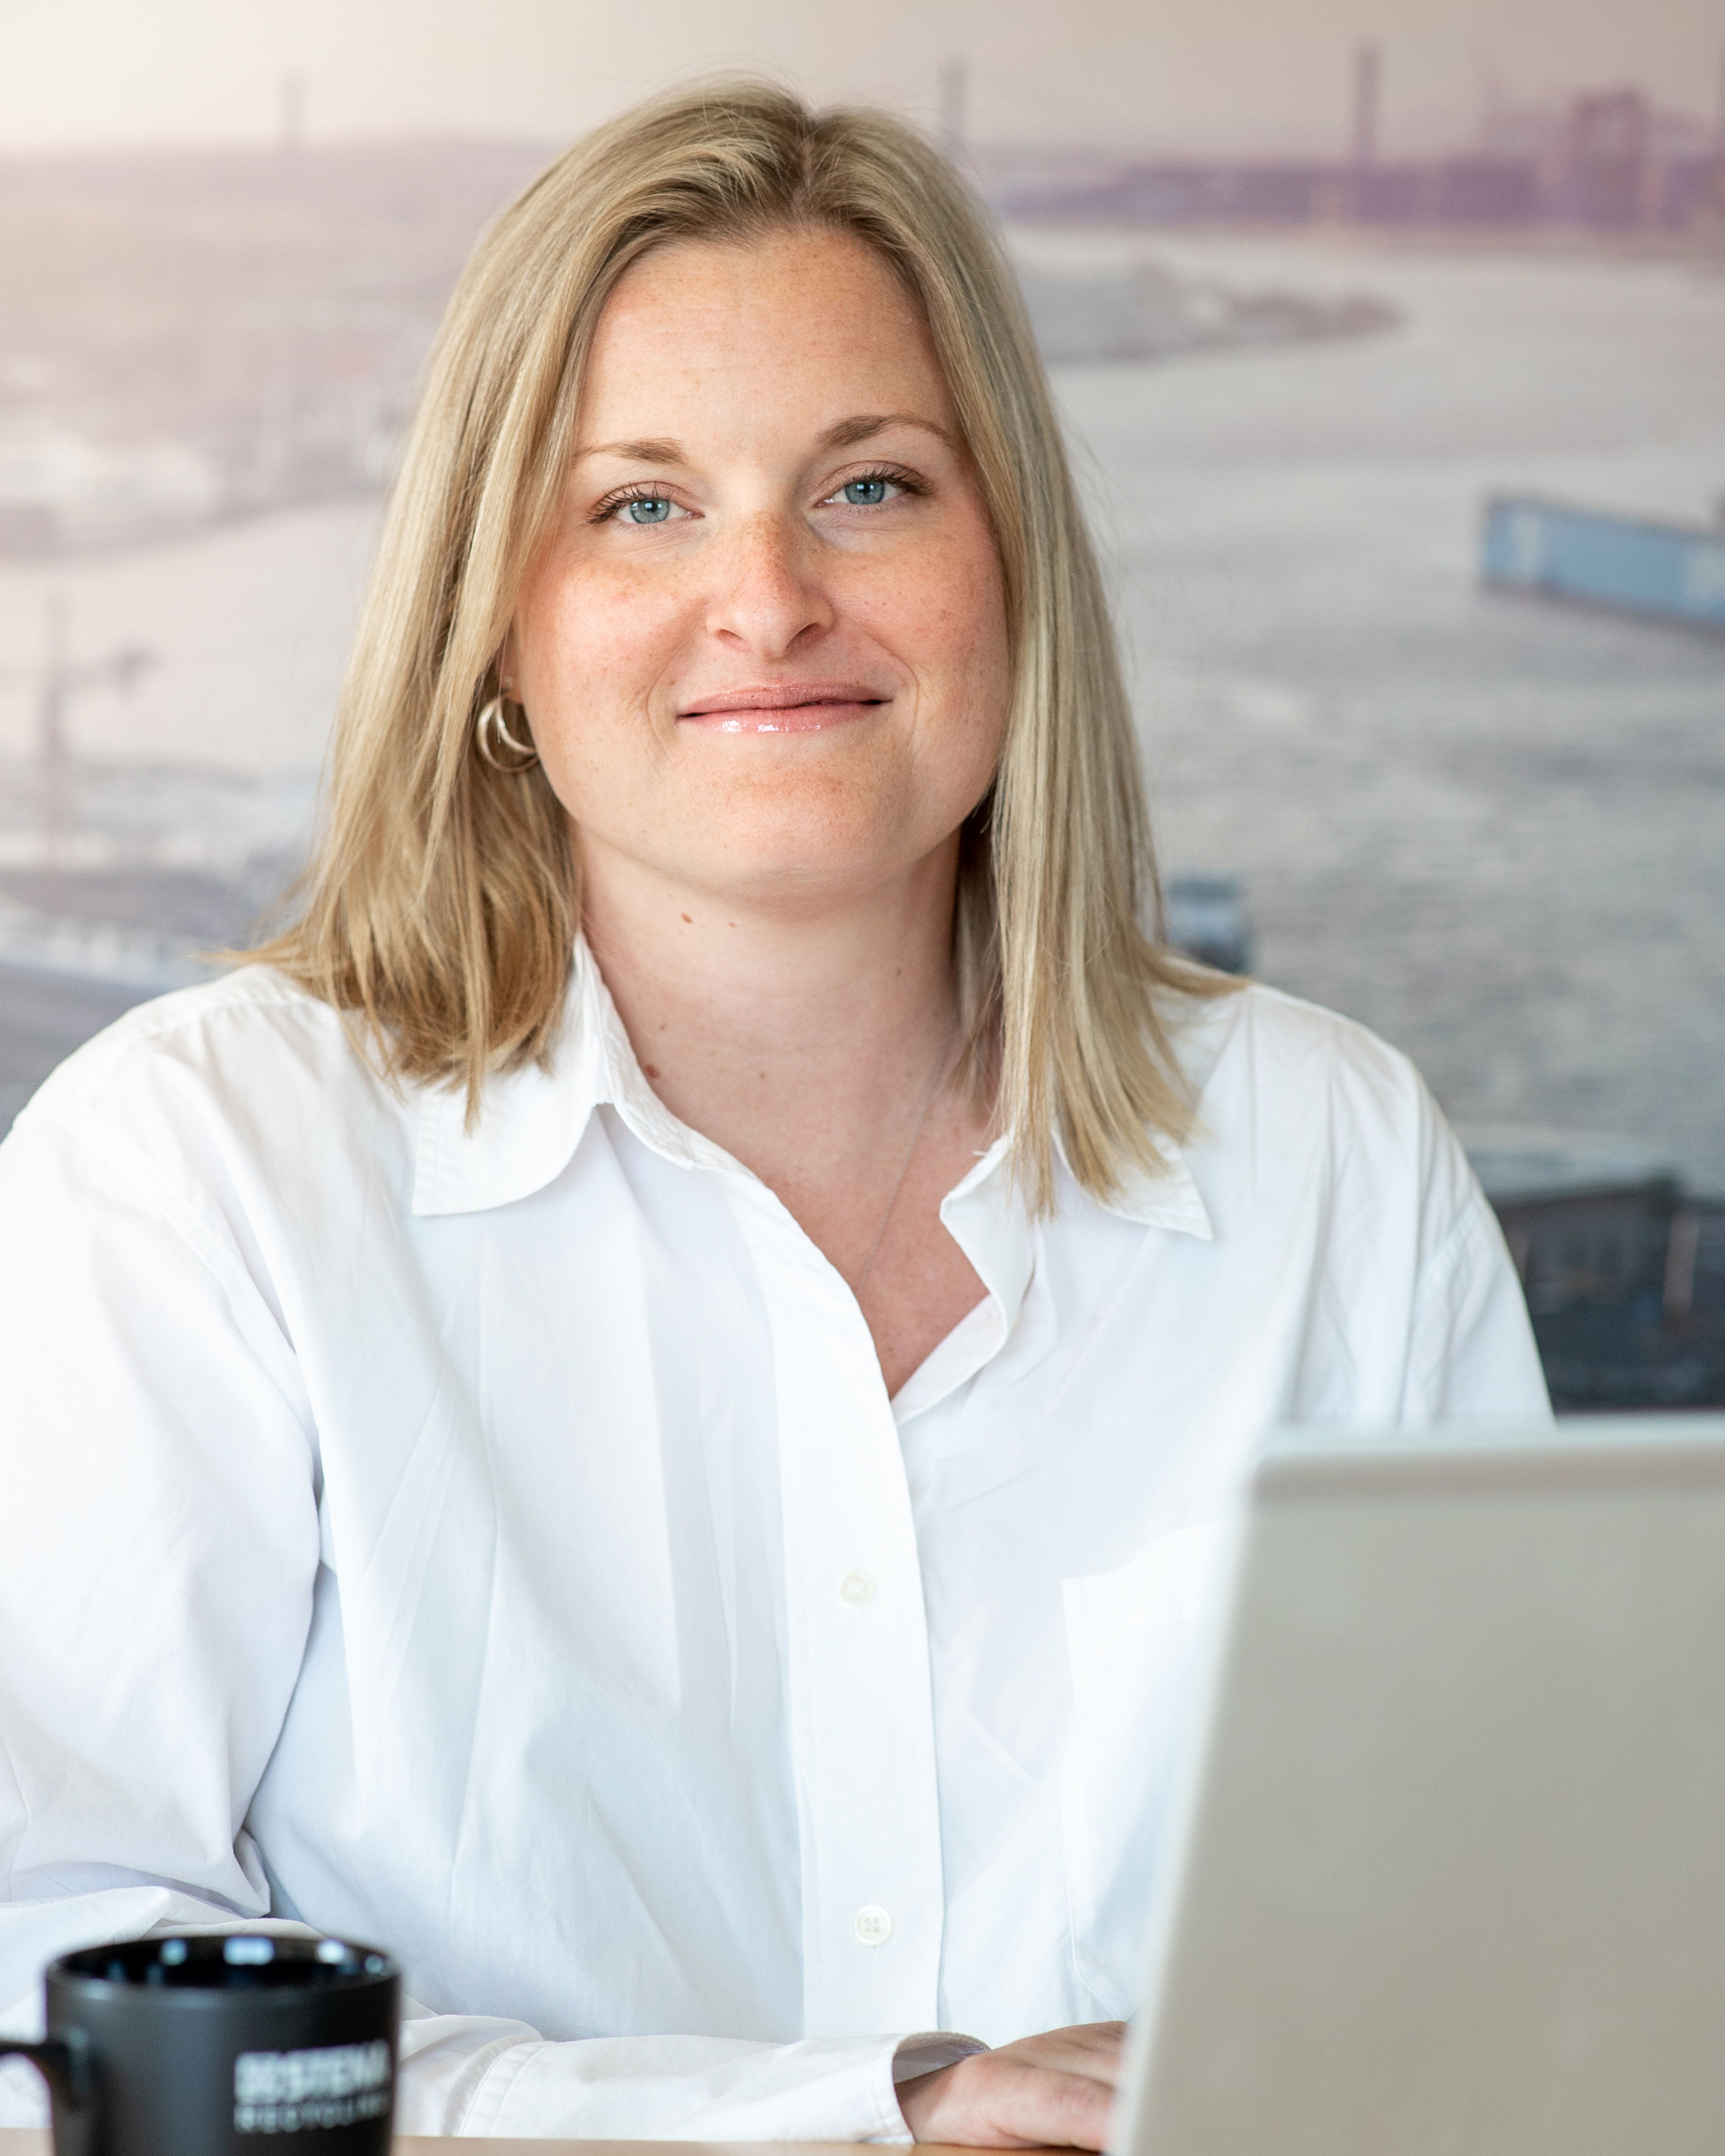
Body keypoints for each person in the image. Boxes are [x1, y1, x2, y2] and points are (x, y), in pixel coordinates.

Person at [0, 80, 1550, 2145]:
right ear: (500, 629)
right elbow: (51, 2003)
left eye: (873, 487)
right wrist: (871, 2108)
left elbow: (1528, 1958)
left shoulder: (1333, 1168)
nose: (769, 598)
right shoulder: (199, 1179)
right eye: (641, 504)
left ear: (1013, 570)